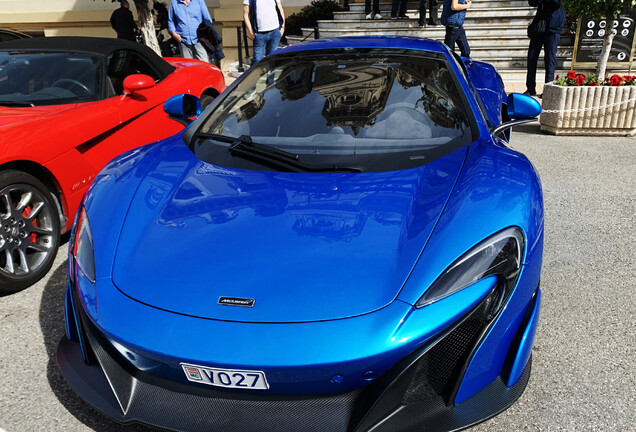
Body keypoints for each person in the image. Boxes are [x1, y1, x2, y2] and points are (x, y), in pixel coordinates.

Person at [525, 0, 565, 96]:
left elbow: (556, 3)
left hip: (554, 26)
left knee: (550, 59)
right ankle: (530, 88)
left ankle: (548, 89)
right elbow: (532, 2)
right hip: (539, 25)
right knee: (531, 57)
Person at [243, 0, 286, 66]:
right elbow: (246, 15)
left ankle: (271, 76)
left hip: (275, 32)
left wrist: (282, 27)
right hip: (260, 34)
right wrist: (251, 32)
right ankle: (253, 76)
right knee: (257, 61)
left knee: (272, 61)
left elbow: (280, 9)